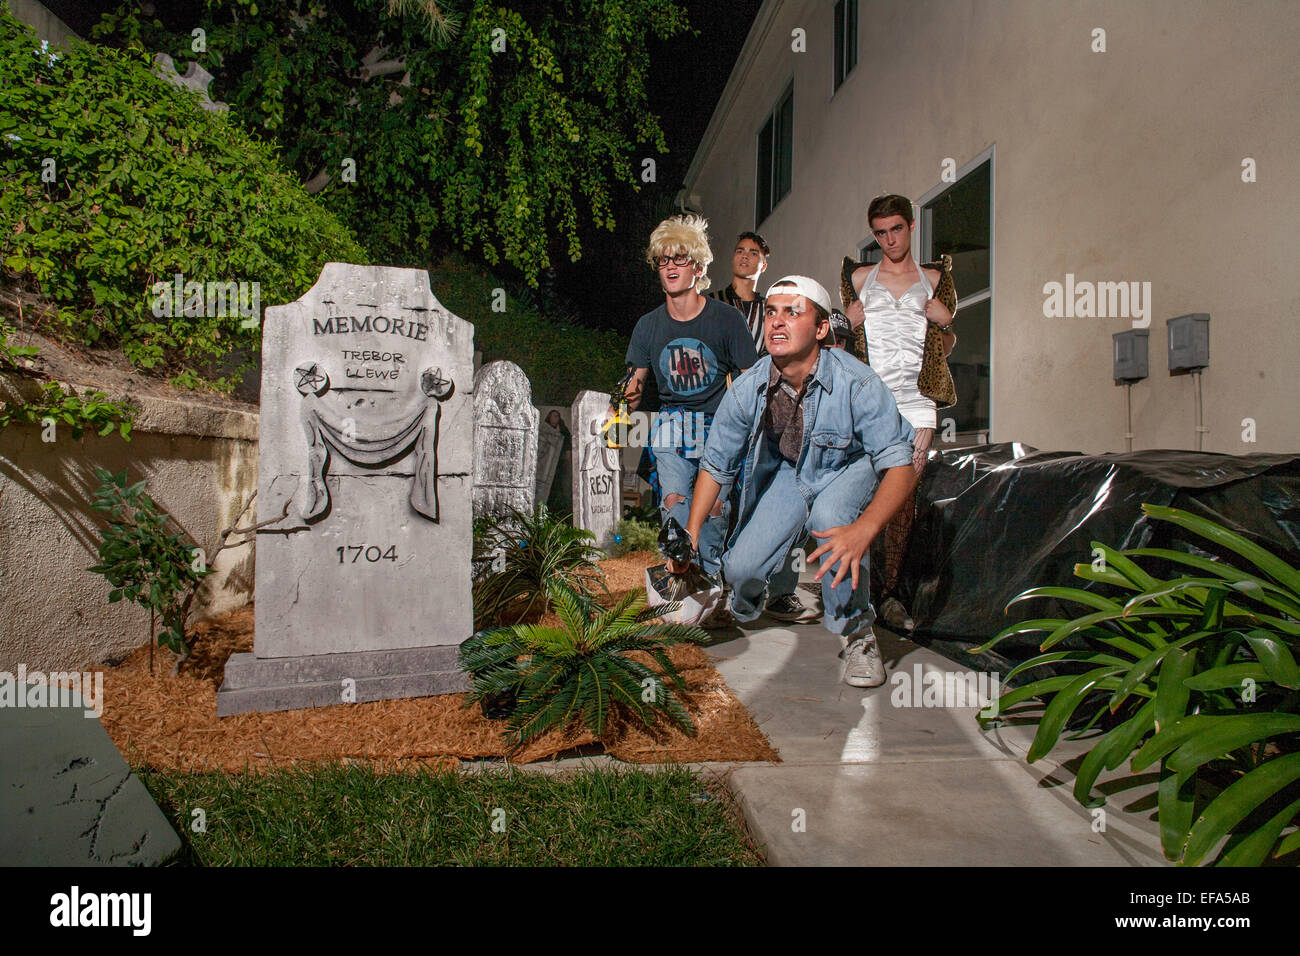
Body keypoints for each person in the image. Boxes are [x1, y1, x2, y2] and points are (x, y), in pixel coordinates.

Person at [676, 276, 917, 686]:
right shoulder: (747, 389)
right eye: (771, 311)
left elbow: (900, 467)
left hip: (850, 465)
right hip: (792, 473)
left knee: (831, 514)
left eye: (793, 312)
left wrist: (864, 529)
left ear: (821, 329)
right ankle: (741, 604)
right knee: (740, 568)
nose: (777, 322)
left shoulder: (857, 382)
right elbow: (715, 466)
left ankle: (858, 634)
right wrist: (691, 536)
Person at [616, 213, 757, 578]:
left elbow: (749, 384)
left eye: (680, 258)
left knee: (712, 515)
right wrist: (621, 412)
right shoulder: (648, 326)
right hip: (672, 424)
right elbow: (634, 384)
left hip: (719, 427)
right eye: (663, 259)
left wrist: (753, 435)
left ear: (698, 266)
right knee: (675, 508)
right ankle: (683, 588)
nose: (670, 266)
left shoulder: (727, 319)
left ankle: (710, 589)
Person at [846, 195, 955, 630]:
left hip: (913, 406)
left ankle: (889, 597)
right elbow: (836, 345)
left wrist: (945, 324)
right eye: (880, 232)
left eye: (896, 229)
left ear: (911, 226)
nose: (890, 239)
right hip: (867, 402)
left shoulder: (933, 279)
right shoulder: (858, 278)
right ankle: (860, 599)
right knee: (862, 501)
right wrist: (846, 324)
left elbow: (942, 354)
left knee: (902, 505)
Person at [708, 232, 770, 351]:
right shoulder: (712, 301)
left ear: (763, 267)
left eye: (753, 253)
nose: (744, 256)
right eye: (740, 251)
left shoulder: (768, 309)